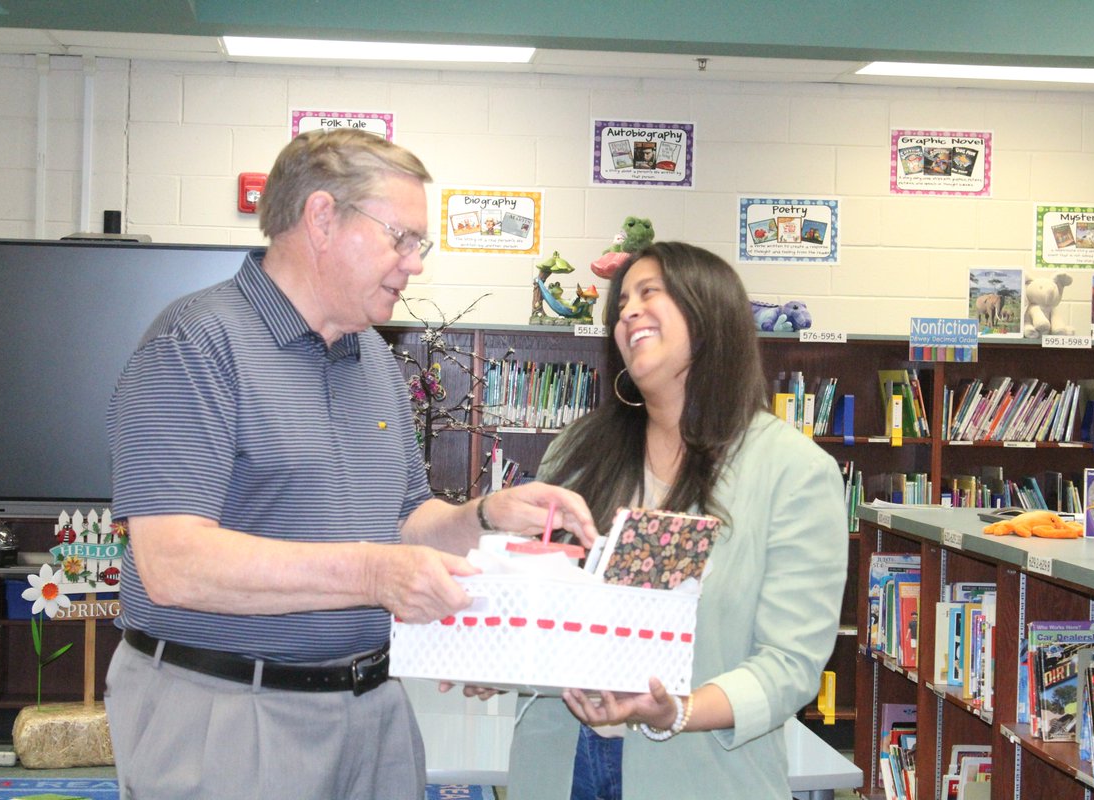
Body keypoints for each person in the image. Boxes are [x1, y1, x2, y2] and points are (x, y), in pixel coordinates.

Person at [103, 128, 597, 800]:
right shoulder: (193, 344)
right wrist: (373, 573)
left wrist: (486, 516)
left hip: (373, 713)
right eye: (402, 237)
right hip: (225, 711)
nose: (414, 263)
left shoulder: (373, 361)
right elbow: (172, 564)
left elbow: (404, 519)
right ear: (322, 218)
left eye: (419, 244)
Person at [506, 241, 848, 799]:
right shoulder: (575, 451)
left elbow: (789, 664)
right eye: (620, 306)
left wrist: (676, 712)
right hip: (559, 761)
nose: (627, 314)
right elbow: (541, 598)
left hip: (698, 771)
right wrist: (491, 645)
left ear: (708, 313)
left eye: (649, 293)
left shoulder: (793, 470)